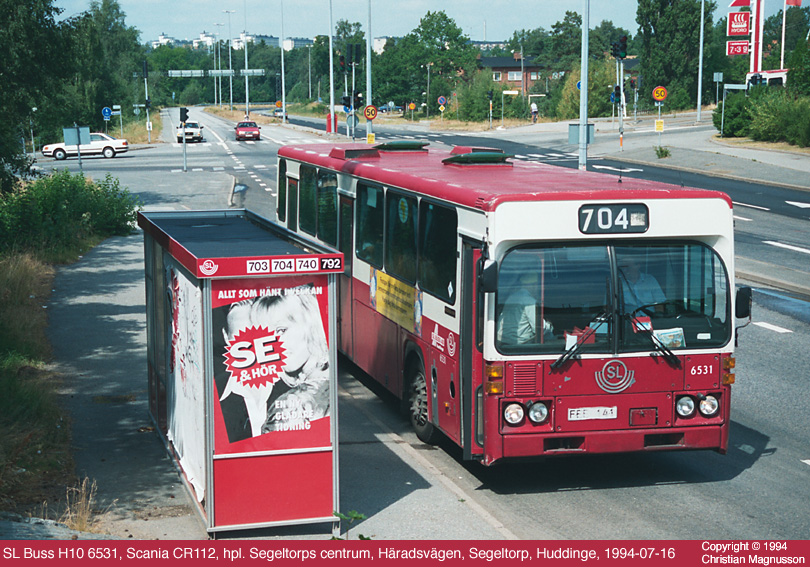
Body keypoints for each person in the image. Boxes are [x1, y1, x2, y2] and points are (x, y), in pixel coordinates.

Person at [250, 286, 331, 433]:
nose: (273, 345)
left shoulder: (289, 405)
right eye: (266, 337)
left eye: (281, 330)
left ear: (311, 324)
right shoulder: (329, 384)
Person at [497, 272, 553, 346]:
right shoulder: (530, 301)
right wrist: (549, 326)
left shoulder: (511, 297)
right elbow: (539, 328)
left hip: (501, 341)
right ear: (533, 285)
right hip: (520, 345)